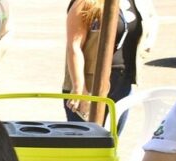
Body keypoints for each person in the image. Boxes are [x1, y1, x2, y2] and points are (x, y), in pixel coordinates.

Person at [62, 0, 146, 130]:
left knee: (112, 142)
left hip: (122, 83)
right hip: (90, 84)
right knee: (86, 144)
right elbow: (74, 46)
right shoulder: (85, 2)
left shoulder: (135, 3)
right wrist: (80, 89)